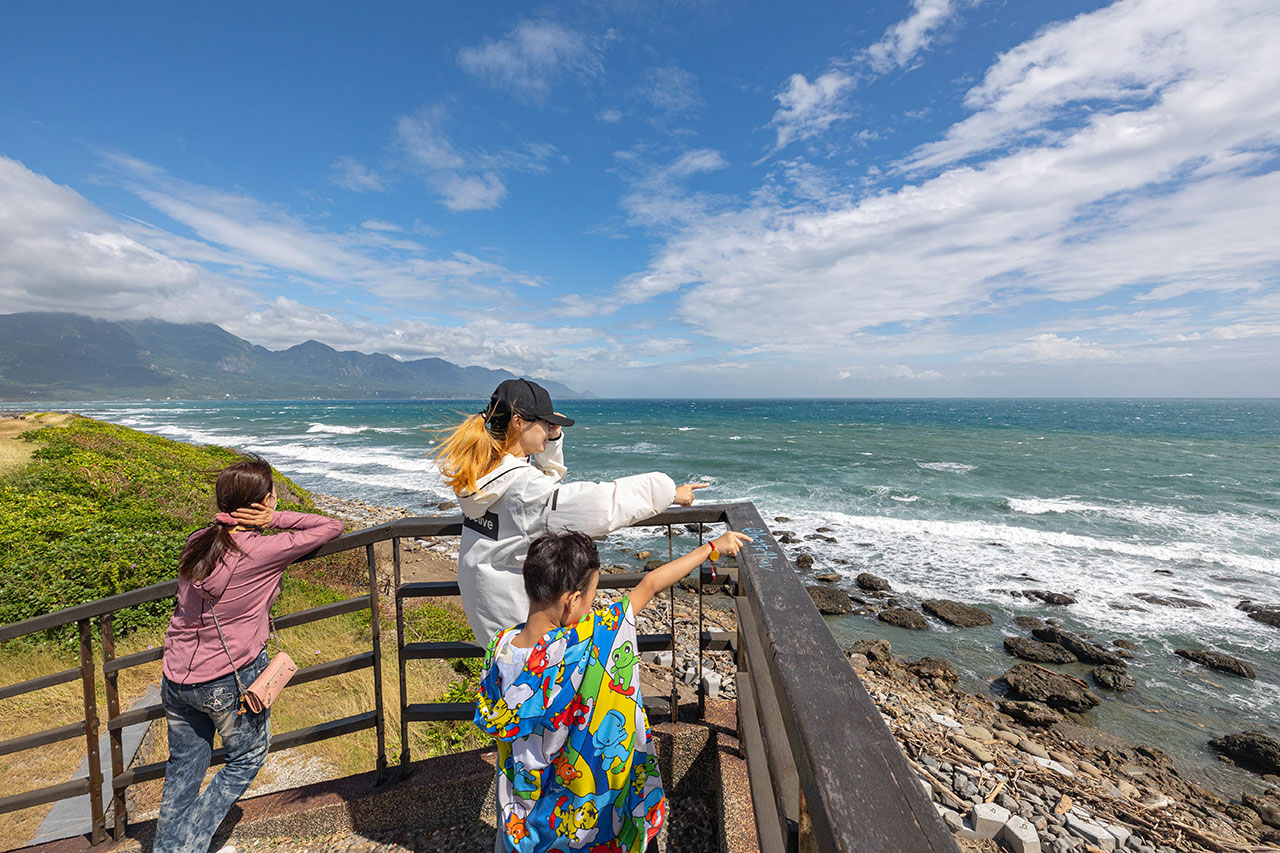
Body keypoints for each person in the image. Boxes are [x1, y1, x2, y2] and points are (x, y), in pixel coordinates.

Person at [474, 528, 750, 852]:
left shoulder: (499, 646)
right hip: (582, 814)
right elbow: (651, 585)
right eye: (590, 598)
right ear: (571, 601)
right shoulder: (592, 636)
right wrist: (712, 547)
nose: (592, 608)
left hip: (522, 815)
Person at [154, 457, 344, 853]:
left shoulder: (198, 541)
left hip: (176, 676)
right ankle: (188, 845)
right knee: (246, 758)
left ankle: (168, 848)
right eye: (272, 498)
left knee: (183, 769)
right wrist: (274, 520)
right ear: (265, 501)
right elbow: (331, 526)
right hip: (226, 678)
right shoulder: (262, 549)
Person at [433, 378, 707, 644]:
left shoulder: (482, 470)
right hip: (525, 638)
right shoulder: (524, 489)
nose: (549, 429)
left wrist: (551, 440)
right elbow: (598, 505)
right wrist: (668, 493)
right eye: (544, 423)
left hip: (493, 630)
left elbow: (539, 492)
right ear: (518, 422)